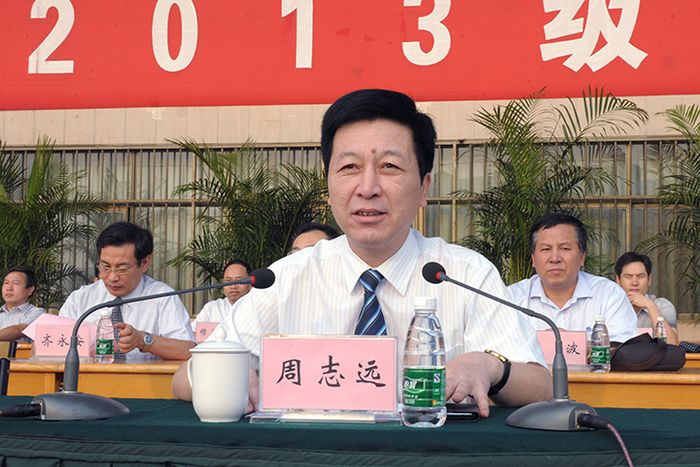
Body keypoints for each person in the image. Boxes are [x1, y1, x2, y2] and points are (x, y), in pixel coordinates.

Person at [173, 89, 552, 417]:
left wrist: (491, 367)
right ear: (328, 185)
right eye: (350, 167)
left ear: (424, 187)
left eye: (389, 166)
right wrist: (231, 376)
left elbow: (542, 385)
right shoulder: (287, 277)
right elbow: (183, 379)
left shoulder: (464, 273)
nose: (367, 187)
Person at [60, 222, 194, 360]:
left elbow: (188, 351)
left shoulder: (162, 297)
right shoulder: (80, 299)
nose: (112, 277)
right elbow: (55, 344)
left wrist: (142, 340)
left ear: (144, 263)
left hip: (143, 374)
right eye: (105, 267)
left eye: (122, 269)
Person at [508, 213, 638, 343]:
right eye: (546, 249)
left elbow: (625, 348)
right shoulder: (511, 298)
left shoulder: (609, 294)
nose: (555, 258)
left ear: (582, 257)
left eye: (565, 248)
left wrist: (575, 344)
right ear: (533, 259)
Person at [615, 251, 679, 344]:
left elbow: (671, 343)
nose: (634, 282)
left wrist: (649, 305)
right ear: (618, 280)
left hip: (654, 354)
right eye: (628, 277)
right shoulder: (609, 307)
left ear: (649, 280)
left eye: (640, 276)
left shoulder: (663, 306)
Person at [193, 259, 253, 325]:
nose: (233, 286)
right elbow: (194, 330)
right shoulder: (211, 309)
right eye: (228, 281)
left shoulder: (257, 308)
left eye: (239, 281)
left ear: (250, 284)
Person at [0, 267, 45, 342]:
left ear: (30, 290)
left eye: (16, 284)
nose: (9, 288)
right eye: (6, 283)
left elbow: (19, 330)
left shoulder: (37, 313)